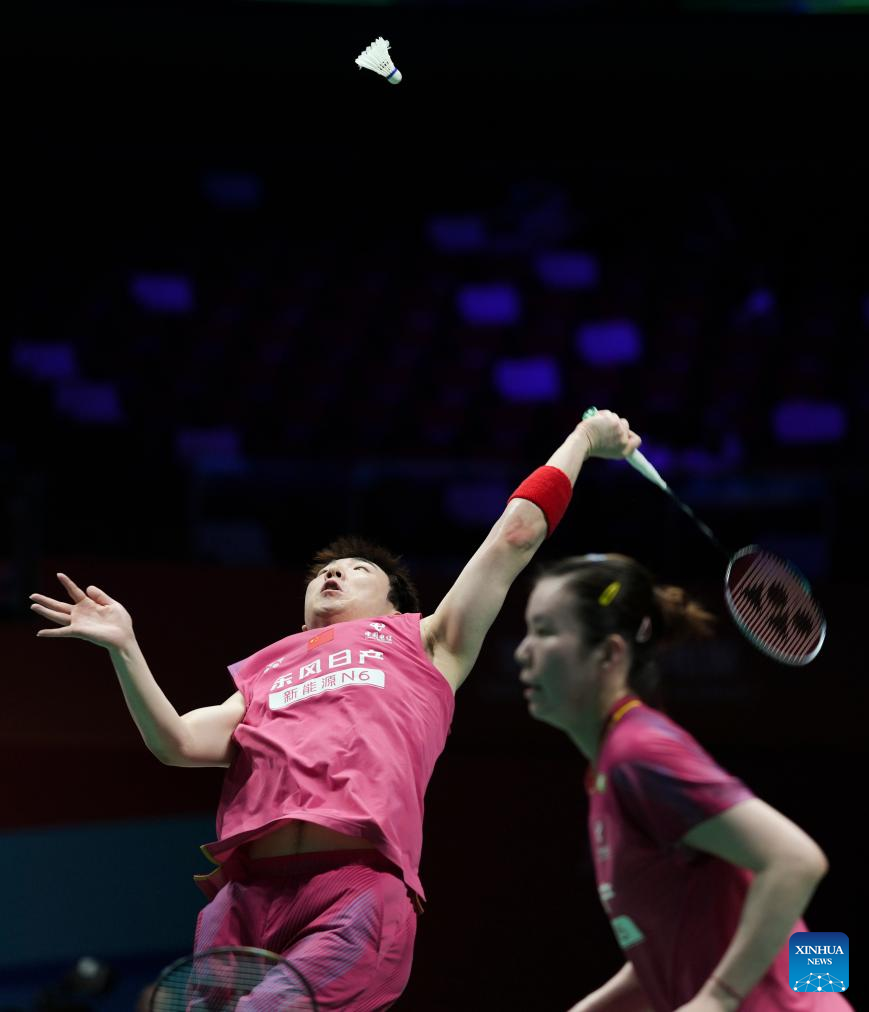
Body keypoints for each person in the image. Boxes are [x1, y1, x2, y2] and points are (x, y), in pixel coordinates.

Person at [30, 409, 640, 1011]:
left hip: (354, 892)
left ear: (395, 606)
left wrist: (583, 438)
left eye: (356, 571)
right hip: (243, 898)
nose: (334, 574)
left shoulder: (426, 642)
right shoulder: (265, 671)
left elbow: (515, 536)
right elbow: (179, 743)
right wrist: (125, 647)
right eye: (324, 571)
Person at [514, 553, 851, 1012]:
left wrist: (717, 999)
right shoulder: (609, 766)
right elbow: (669, 948)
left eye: (545, 631)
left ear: (609, 653)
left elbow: (797, 860)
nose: (522, 650)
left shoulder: (641, 751)